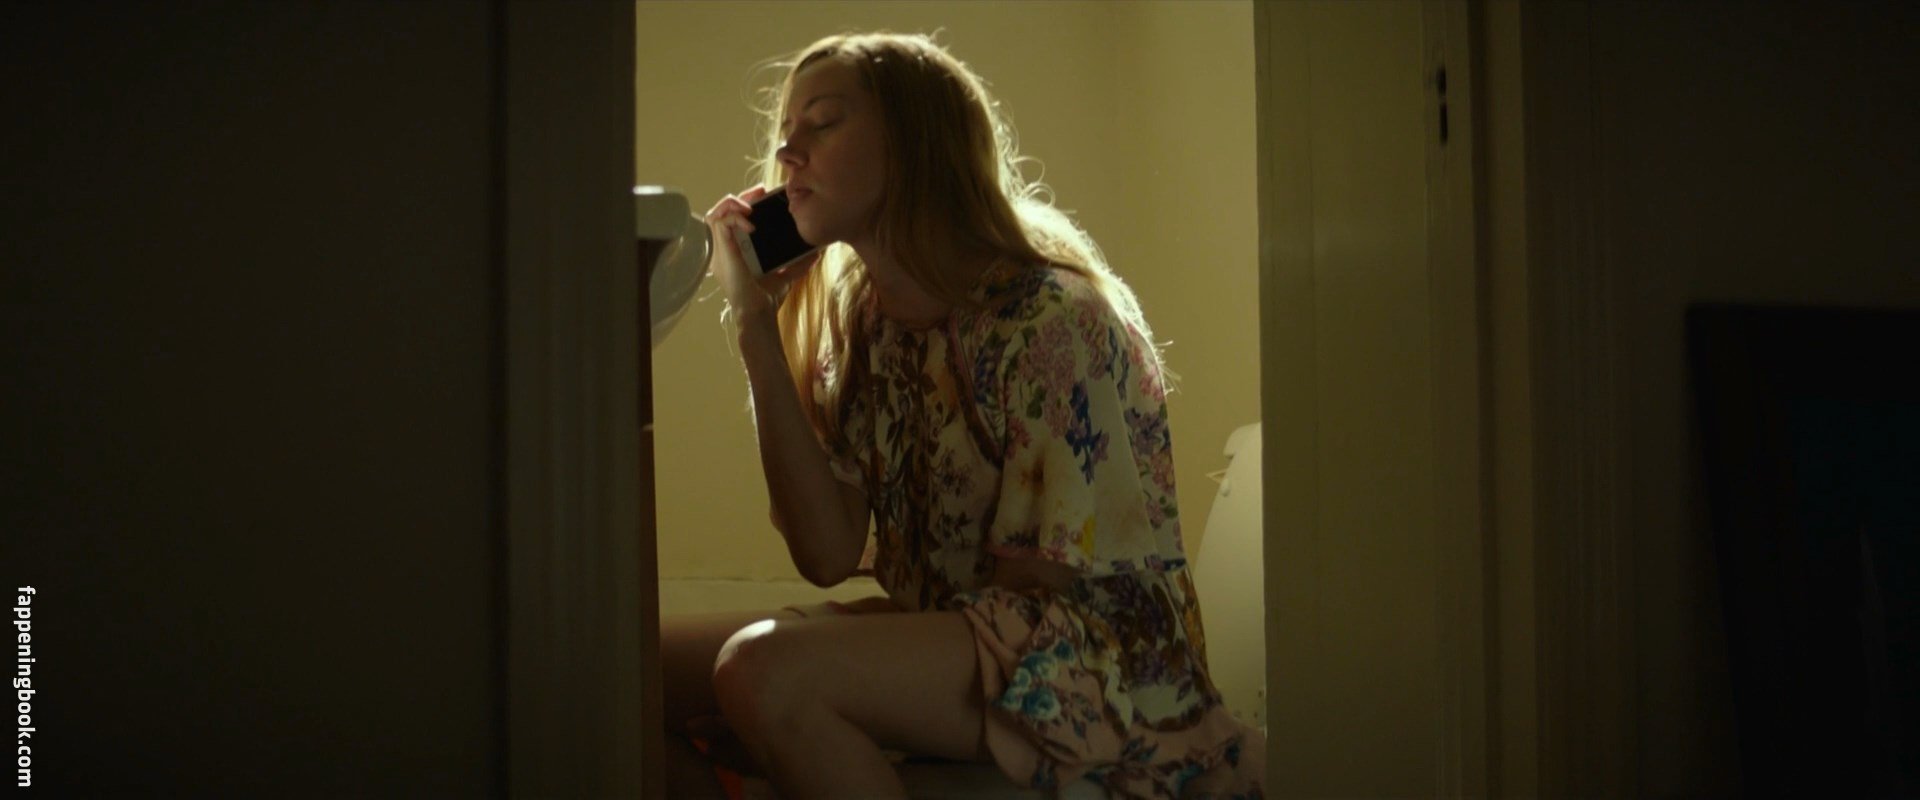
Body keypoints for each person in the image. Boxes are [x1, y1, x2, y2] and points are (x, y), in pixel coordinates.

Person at [663, 30, 1266, 800]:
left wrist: (850, 683)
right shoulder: (866, 324)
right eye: (785, 131)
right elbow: (825, 552)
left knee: (759, 671)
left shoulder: (1047, 317)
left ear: (915, 144)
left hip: (1094, 665)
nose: (787, 152)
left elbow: (1036, 592)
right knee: (627, 669)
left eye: (823, 122)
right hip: (964, 635)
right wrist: (754, 324)